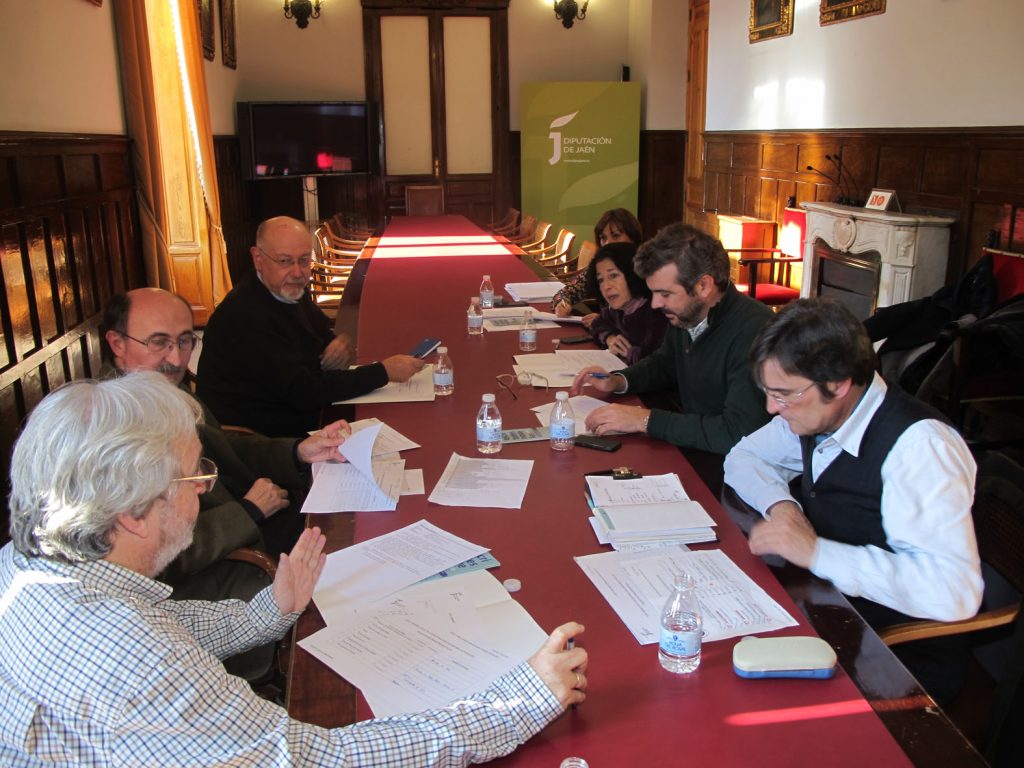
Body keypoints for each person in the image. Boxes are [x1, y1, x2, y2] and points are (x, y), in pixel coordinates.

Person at [0, 373, 589, 765]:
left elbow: (175, 627)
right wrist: (516, 703)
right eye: (194, 477)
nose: (204, 489)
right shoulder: (128, 657)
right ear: (131, 513)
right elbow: (319, 760)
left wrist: (274, 607)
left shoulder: (30, 567)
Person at [723, 298, 982, 704]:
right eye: (769, 393)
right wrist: (784, 508)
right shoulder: (821, 412)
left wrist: (817, 552)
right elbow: (743, 457)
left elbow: (953, 592)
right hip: (826, 610)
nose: (772, 408)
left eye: (784, 394)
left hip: (892, 658)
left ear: (839, 382)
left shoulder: (920, 449)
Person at [102, 288, 348, 566]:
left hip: (251, 516)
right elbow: (156, 558)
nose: (176, 359)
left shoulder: (158, 388)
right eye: (159, 343)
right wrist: (248, 511)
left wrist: (297, 452)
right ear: (117, 343)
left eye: (184, 341)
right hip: (229, 564)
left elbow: (221, 447)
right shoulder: (111, 432)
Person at [196, 216, 425, 437]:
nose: (298, 272)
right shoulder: (247, 316)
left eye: (304, 260)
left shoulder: (286, 289)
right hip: (261, 438)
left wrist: (338, 345)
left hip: (295, 407)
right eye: (285, 261)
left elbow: (320, 331)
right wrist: (383, 372)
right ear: (258, 258)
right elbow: (305, 392)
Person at [570, 222, 773, 455]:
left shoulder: (755, 331)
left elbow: (737, 433)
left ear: (704, 286)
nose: (656, 304)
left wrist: (645, 420)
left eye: (665, 294)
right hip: (695, 448)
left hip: (730, 464)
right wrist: (619, 381)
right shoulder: (688, 313)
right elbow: (664, 363)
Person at [584, 242, 667, 364]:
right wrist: (610, 338)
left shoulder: (656, 312)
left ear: (632, 274)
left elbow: (654, 361)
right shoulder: (618, 309)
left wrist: (628, 352)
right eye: (601, 280)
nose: (606, 286)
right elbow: (598, 323)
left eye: (613, 276)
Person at [551, 208, 643, 319]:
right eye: (603, 238)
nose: (608, 243)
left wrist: (604, 320)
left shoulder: (644, 269)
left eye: (616, 236)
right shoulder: (599, 266)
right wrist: (561, 304)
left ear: (632, 238)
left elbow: (644, 318)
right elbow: (565, 293)